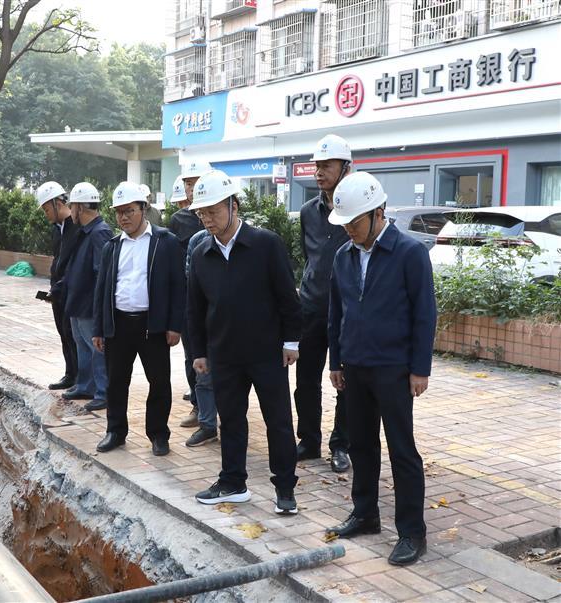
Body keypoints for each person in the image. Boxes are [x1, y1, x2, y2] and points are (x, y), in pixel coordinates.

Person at [325, 171, 436, 566]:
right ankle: (365, 513)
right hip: (355, 366)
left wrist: (419, 368)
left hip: (394, 368)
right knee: (361, 444)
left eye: (355, 222)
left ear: (378, 212)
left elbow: (425, 314)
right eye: (344, 223)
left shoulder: (409, 253)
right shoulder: (344, 255)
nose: (349, 230)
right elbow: (336, 311)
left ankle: (412, 532)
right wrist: (335, 361)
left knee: (402, 449)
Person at [187, 169, 302, 513]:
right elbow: (194, 309)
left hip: (267, 352)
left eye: (213, 211)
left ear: (233, 205)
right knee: (232, 420)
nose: (208, 219)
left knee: (278, 421)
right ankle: (233, 482)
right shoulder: (201, 253)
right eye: (202, 213)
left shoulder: (265, 244)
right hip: (224, 353)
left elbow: (287, 296)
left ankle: (285, 488)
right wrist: (199, 352)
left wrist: (291, 341)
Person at [92, 181, 185, 456]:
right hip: (118, 324)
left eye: (129, 211)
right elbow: (102, 289)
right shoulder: (112, 246)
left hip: (152, 326)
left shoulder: (165, 242)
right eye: (119, 212)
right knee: (116, 382)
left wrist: (175, 325)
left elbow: (179, 286)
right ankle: (115, 431)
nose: (123, 217)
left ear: (143, 209)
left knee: (159, 382)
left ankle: (158, 434)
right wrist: (99, 328)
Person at [295, 134, 353, 473]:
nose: (319, 172)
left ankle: (341, 445)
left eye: (327, 166)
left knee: (345, 381)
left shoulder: (357, 211)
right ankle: (308, 440)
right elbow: (310, 257)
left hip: (347, 312)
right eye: (317, 166)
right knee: (306, 379)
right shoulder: (307, 212)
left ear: (346, 168)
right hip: (312, 307)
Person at [63, 182, 113, 410]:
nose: (70, 211)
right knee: (82, 346)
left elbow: (102, 273)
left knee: (97, 349)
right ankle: (85, 386)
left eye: (72, 206)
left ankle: (103, 392)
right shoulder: (86, 231)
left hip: (88, 304)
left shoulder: (99, 232)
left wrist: (97, 307)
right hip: (78, 302)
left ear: (80, 207)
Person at [169, 162, 211, 428]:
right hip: (189, 300)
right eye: (188, 183)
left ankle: (220, 410)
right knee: (193, 355)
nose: (191, 188)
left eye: (196, 182)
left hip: (217, 300)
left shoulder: (220, 213)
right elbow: (174, 263)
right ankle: (198, 406)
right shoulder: (179, 220)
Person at [35, 181, 79, 391]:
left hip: (72, 291)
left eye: (46, 209)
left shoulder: (76, 228)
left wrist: (62, 286)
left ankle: (81, 377)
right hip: (58, 291)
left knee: (73, 334)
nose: (46, 214)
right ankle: (70, 374)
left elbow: (75, 264)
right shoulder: (56, 230)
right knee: (63, 333)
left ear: (57, 203)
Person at [183, 227, 217, 447]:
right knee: (203, 375)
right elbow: (191, 280)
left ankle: (233, 423)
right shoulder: (197, 242)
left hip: (235, 326)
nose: (207, 218)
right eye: (203, 213)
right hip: (204, 319)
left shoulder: (253, 240)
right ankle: (207, 425)